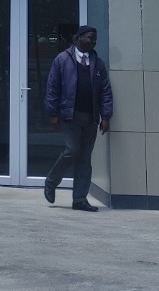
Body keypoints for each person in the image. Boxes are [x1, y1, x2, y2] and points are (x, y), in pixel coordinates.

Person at [43, 25, 114, 211]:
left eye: (95, 39)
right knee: (72, 150)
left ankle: (80, 199)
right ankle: (51, 181)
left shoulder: (97, 63)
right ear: (79, 38)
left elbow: (105, 91)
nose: (93, 41)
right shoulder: (62, 59)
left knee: (85, 159)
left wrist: (106, 116)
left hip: (91, 117)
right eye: (90, 38)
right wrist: (53, 112)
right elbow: (53, 87)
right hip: (70, 115)